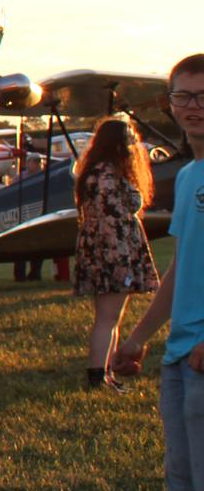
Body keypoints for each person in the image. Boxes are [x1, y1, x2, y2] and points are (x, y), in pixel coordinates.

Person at [112, 54, 204, 491]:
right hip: (179, 360)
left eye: (203, 95)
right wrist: (140, 337)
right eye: (183, 96)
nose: (193, 106)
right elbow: (180, 268)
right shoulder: (191, 176)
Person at [72, 116, 159, 389]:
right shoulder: (109, 176)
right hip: (114, 255)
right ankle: (98, 374)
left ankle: (106, 372)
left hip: (101, 253)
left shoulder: (94, 173)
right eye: (129, 140)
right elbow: (113, 220)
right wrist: (122, 261)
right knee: (108, 319)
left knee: (110, 318)